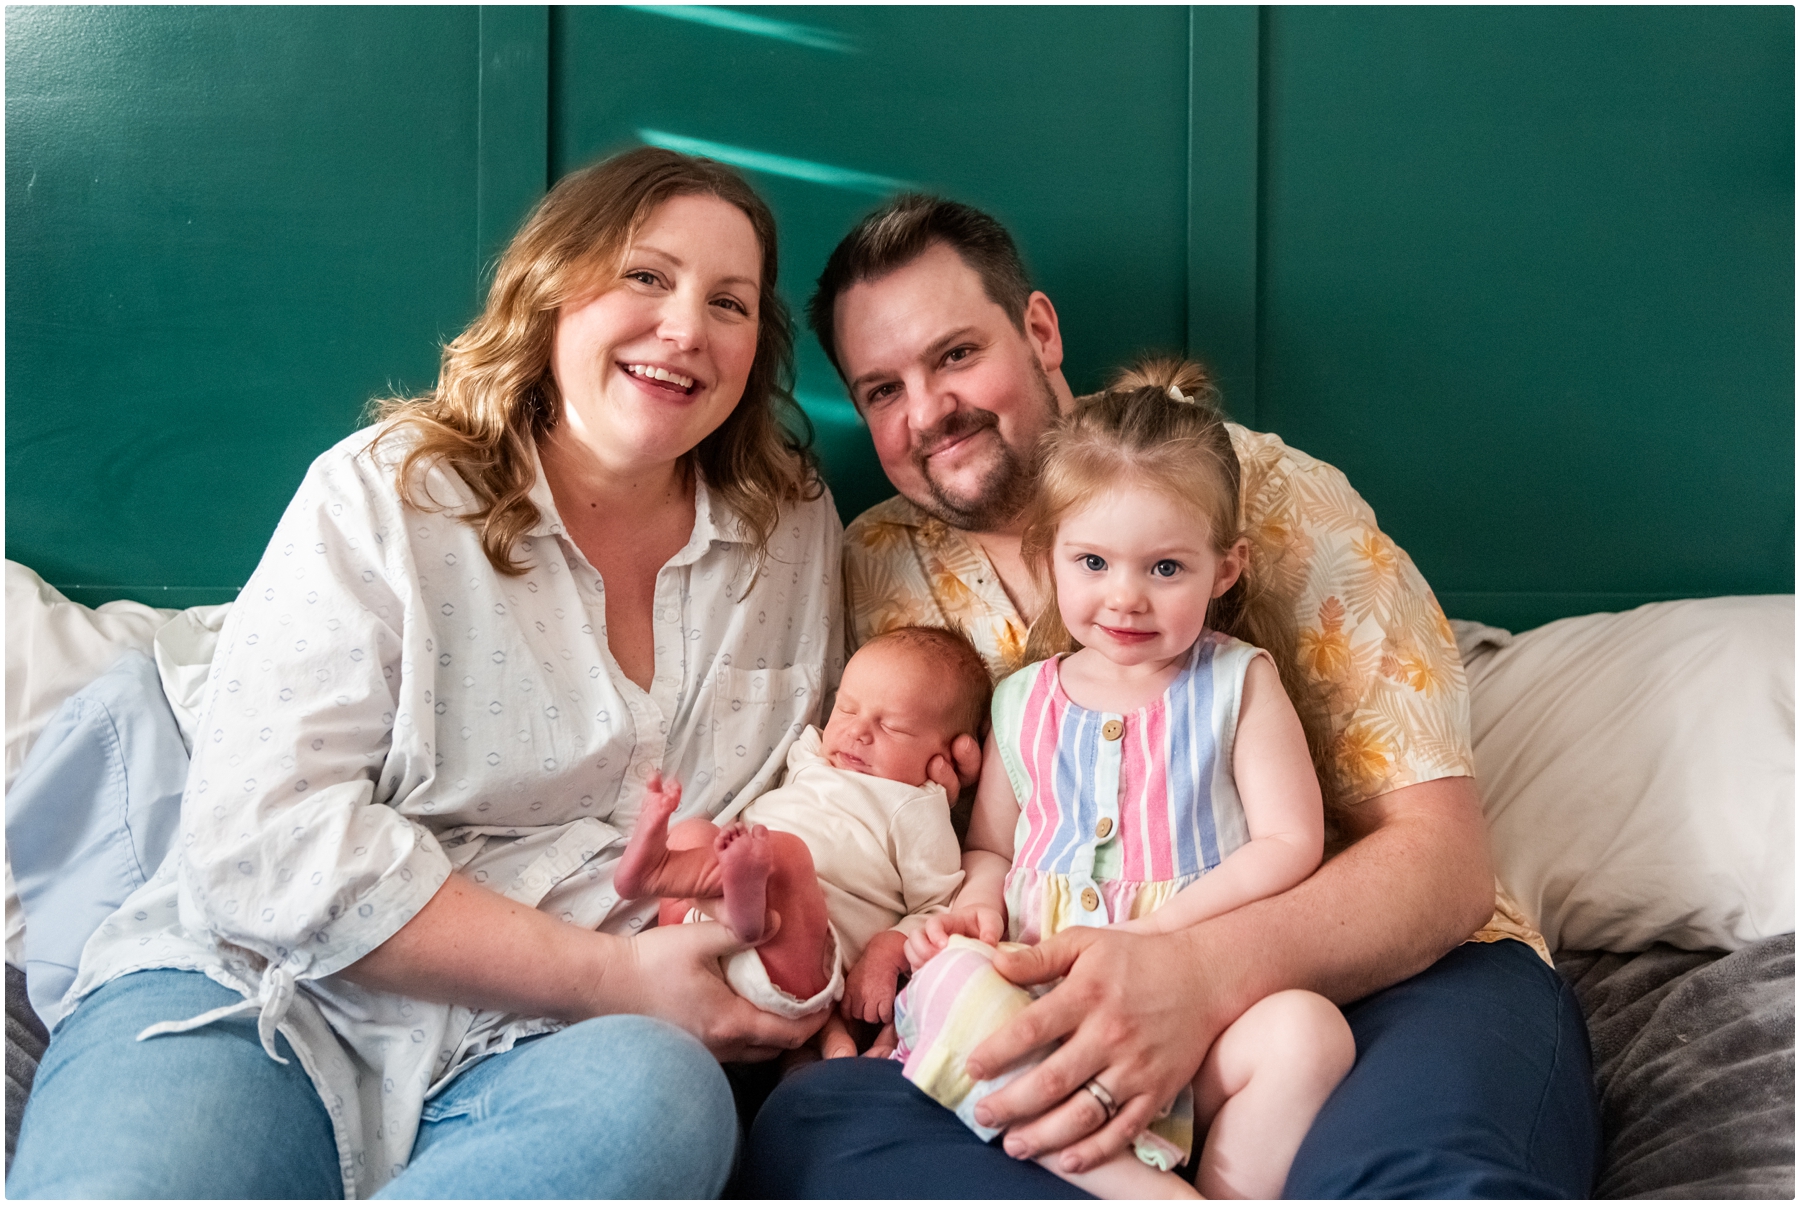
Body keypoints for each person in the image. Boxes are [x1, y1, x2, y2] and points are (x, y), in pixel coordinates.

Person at [9, 147, 841, 1199]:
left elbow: (827, 793)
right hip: (264, 996)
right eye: (645, 275)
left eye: (731, 301)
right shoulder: (386, 493)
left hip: (564, 1053)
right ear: (551, 290)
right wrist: (608, 975)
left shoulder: (790, 525)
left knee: (670, 1094)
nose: (686, 327)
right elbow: (264, 841)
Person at [741, 195, 1598, 1198]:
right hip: (1053, 1001)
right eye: (882, 389)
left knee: (1427, 1175)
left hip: (1374, 967)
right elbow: (875, 826)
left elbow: (1441, 863)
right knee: (816, 1127)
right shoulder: (875, 566)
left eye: (956, 354)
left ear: (1041, 329)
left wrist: (1198, 974)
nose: (927, 411)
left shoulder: (1268, 498)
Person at [893, 360, 1354, 1199]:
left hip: (1193, 1002)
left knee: (1309, 1033)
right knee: (945, 979)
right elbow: (993, 844)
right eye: (1095, 562)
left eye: (1166, 569)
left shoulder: (1236, 684)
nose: (1126, 598)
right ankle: (1123, 1178)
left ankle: (1223, 1183)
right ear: (1054, 557)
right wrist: (972, 908)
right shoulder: (1022, 699)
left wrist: (1167, 933)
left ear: (1226, 567)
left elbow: (1294, 842)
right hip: (1045, 999)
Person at [613, 625, 987, 1032]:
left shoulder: (915, 809)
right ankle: (660, 876)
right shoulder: (816, 756)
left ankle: (745, 905)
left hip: (799, 960)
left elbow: (936, 906)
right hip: (695, 946)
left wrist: (885, 952)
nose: (857, 731)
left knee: (784, 854)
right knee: (693, 833)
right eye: (846, 708)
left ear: (946, 755)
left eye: (892, 727)